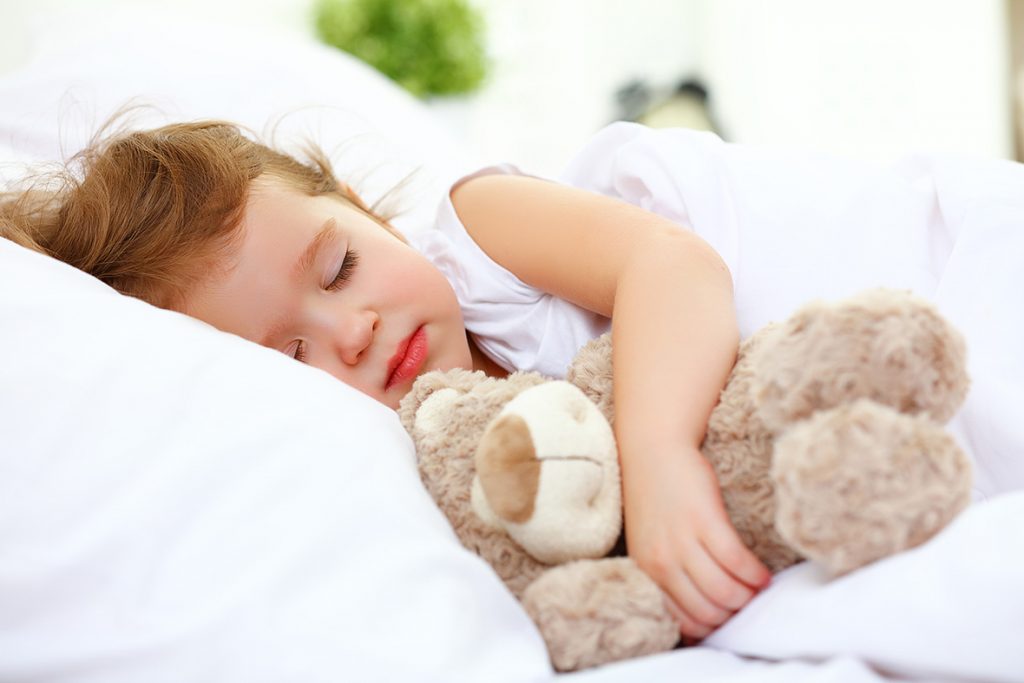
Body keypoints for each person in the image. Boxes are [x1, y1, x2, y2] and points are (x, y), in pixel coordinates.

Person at [5, 115, 1022, 641]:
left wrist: (657, 453)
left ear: (366, 209)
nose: (352, 328)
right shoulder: (395, 471)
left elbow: (670, 264)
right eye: (291, 354)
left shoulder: (479, 240)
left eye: (340, 265)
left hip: (924, 286)